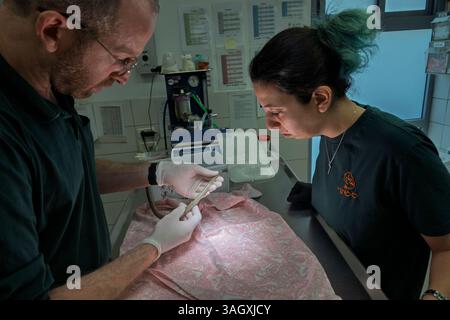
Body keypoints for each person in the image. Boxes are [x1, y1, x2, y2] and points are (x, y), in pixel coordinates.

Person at [0, 0, 222, 299]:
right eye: (121, 59)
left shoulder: (51, 84)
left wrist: (160, 172)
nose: (124, 76)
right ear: (53, 31)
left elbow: (64, 174)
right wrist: (153, 247)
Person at [249, 9, 450, 300]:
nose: (269, 124)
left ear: (320, 98)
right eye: (264, 111)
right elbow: (363, 200)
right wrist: (319, 194)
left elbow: (446, 246)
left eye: (276, 112)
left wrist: (435, 297)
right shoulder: (330, 136)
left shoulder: (401, 150)